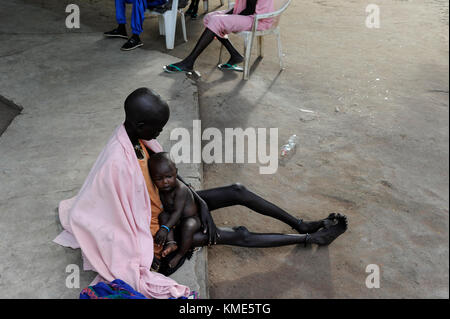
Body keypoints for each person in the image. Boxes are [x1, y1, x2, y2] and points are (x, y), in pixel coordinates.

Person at [163, 0, 273, 73]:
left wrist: (228, 19)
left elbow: (249, 9)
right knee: (210, 17)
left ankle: (189, 62)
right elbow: (243, 7)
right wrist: (227, 16)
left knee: (217, 21)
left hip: (257, 19)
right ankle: (235, 55)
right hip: (248, 14)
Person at [149, 152, 201, 269]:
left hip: (191, 218)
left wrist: (164, 228)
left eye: (169, 177)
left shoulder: (180, 189)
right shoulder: (161, 190)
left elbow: (178, 212)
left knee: (188, 225)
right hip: (175, 219)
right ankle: (171, 243)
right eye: (159, 179)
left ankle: (180, 254)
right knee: (163, 216)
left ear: (176, 173)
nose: (165, 182)